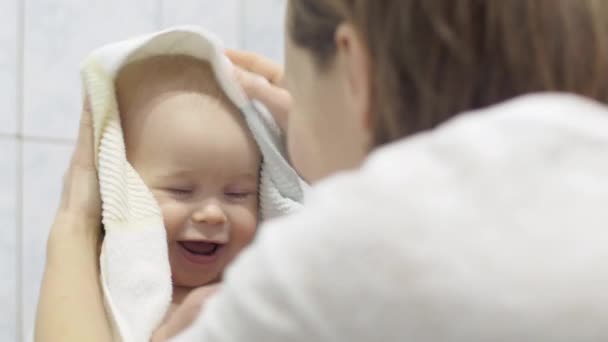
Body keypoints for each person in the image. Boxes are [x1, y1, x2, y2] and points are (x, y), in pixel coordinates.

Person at [36, 0, 608, 341]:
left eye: (298, 84)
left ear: (354, 67)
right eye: (182, 187)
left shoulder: (344, 259)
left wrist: (75, 217)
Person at [115, 55, 261, 319]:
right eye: (181, 191)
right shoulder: (103, 297)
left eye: (237, 194)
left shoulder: (260, 300)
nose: (213, 214)